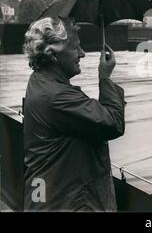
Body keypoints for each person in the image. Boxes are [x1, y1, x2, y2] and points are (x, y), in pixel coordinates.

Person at [22, 16, 126, 211]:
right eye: (75, 47)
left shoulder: (40, 81)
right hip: (67, 203)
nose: (83, 53)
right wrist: (105, 78)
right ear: (53, 54)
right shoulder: (57, 96)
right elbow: (113, 123)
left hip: (48, 198)